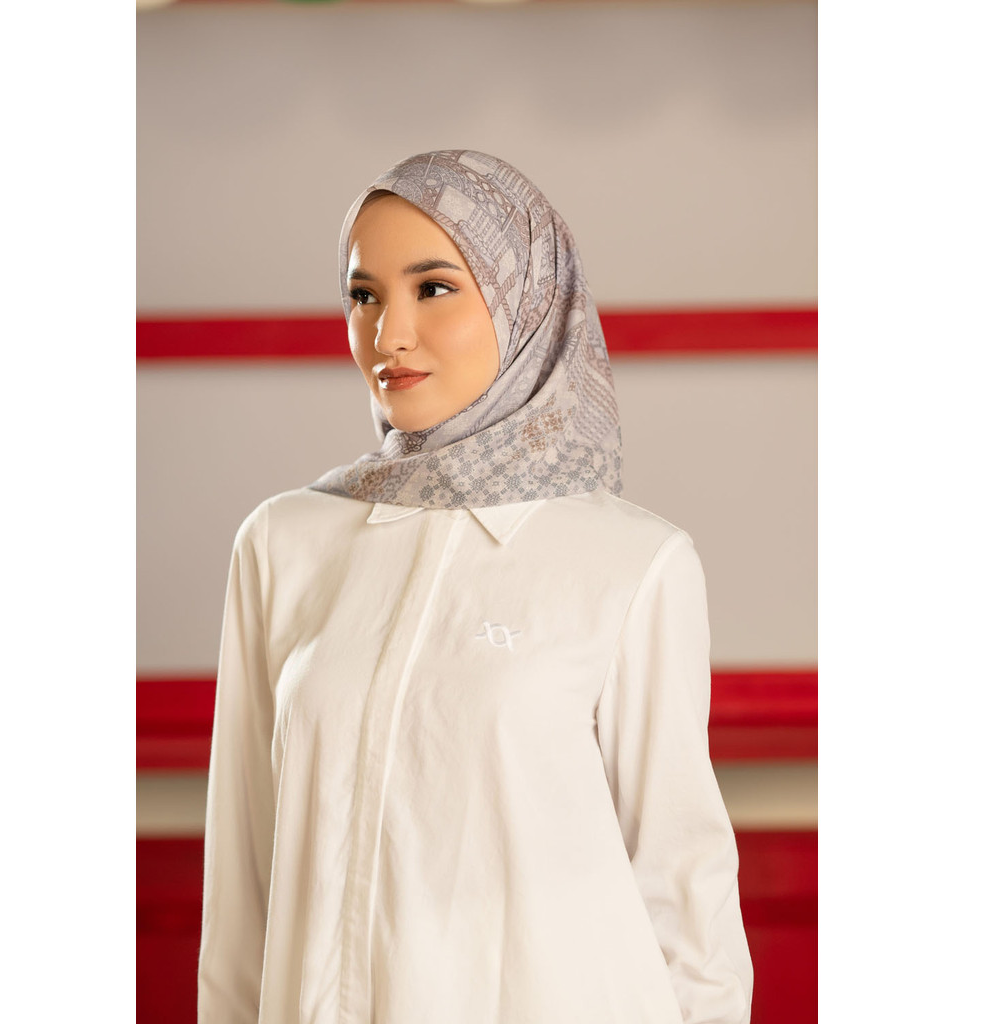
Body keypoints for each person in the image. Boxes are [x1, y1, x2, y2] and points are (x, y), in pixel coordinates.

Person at [197, 149, 753, 1024]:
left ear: (527, 300)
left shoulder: (633, 563)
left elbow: (686, 898)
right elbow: (242, 895)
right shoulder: (282, 543)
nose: (389, 334)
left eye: (434, 288)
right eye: (363, 294)